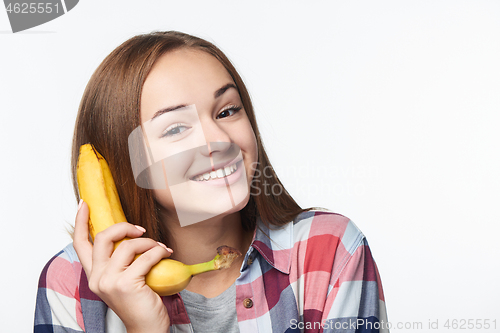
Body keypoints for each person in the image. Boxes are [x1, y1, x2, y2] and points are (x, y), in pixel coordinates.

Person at [34, 31, 389, 333]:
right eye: (176, 128)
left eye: (227, 111)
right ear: (126, 164)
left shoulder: (329, 251)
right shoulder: (69, 284)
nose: (217, 140)